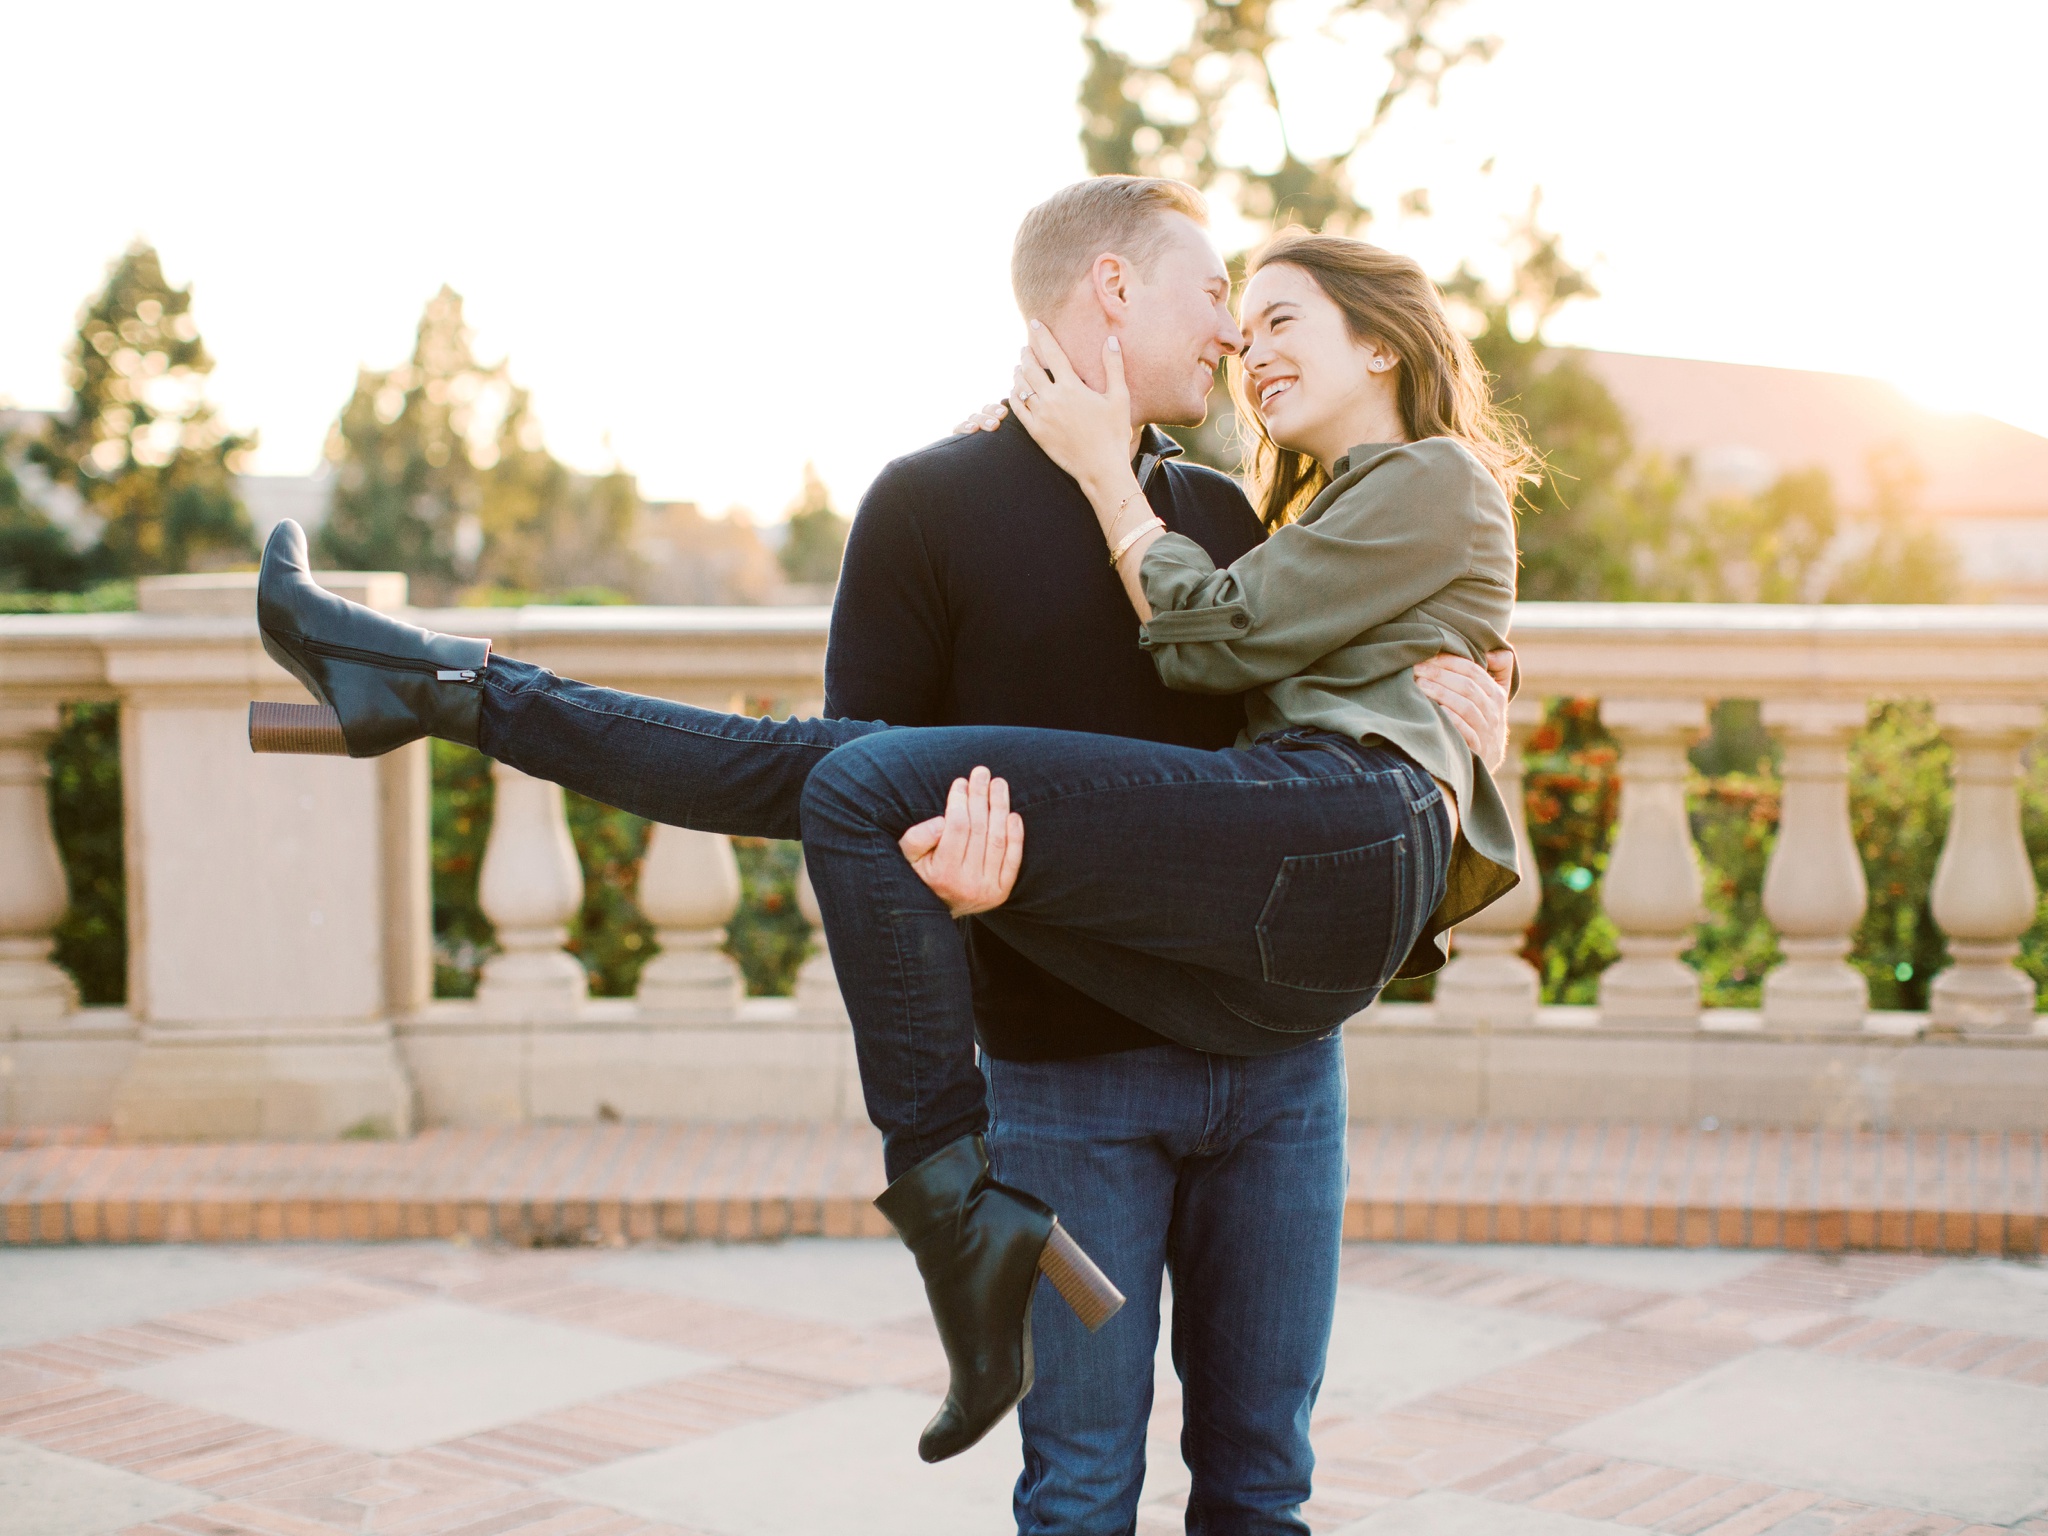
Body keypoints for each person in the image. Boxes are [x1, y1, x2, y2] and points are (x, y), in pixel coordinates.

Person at [246, 179, 1520, 1530]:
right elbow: (870, 809)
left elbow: (1322, 700)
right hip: (1073, 1078)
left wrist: (1487, 690)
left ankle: (444, 692)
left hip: (1272, 1069)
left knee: (1261, 1483)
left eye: (1263, 313)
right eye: (1218, 296)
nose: (1231, 336)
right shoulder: (930, 502)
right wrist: (953, 878)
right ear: (1111, 289)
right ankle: (446, 689)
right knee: (1082, 1486)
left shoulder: (1220, 513)